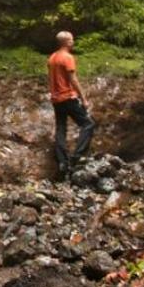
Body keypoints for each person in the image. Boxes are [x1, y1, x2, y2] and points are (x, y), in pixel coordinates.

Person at [47, 30, 95, 180]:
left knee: (61, 128)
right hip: (68, 96)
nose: (73, 42)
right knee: (88, 124)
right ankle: (76, 156)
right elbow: (73, 80)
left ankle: (62, 162)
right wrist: (84, 98)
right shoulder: (67, 57)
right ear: (66, 42)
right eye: (72, 40)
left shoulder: (52, 57)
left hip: (56, 99)